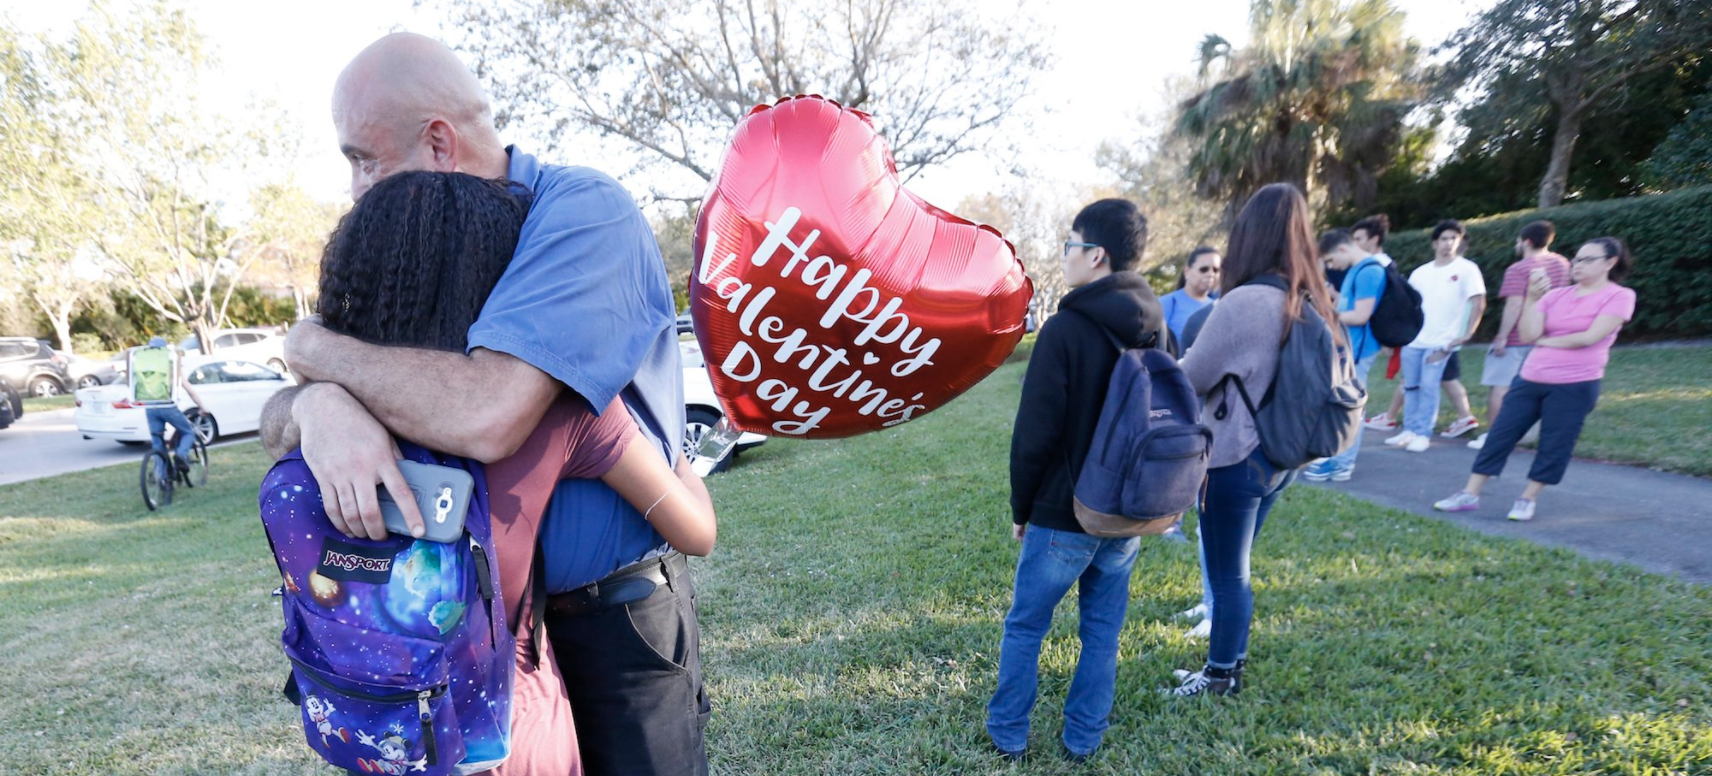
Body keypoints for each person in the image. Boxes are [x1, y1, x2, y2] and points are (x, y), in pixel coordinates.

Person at [257, 34, 707, 775]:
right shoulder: (413, 254)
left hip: (608, 624)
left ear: (438, 142)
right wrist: (316, 407)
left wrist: (314, 353)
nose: (356, 190)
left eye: (363, 160)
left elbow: (485, 415)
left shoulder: (582, 213)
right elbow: (294, 418)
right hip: (466, 651)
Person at [988, 199, 1166, 763]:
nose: (1064, 258)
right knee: (1102, 633)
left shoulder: (1066, 329)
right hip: (1129, 510)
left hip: (1065, 512)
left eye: (1069, 246)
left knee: (1025, 627)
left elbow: (1035, 433)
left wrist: (1022, 506)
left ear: (1096, 255)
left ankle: (1009, 735)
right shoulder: (1158, 324)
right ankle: (1083, 740)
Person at [1169, 183, 1334, 697]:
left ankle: (1219, 677)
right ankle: (1229, 665)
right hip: (1282, 458)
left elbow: (1190, 377)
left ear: (1248, 237)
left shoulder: (1243, 302)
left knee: (1227, 575)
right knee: (1235, 569)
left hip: (1235, 456)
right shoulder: (1309, 298)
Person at [1434, 237, 1636, 522]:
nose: (1578, 265)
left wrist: (1546, 341)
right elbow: (1528, 334)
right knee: (1500, 435)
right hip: (1531, 378)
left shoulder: (1620, 296)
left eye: (1587, 260)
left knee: (1555, 443)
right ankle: (1469, 494)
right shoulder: (1555, 295)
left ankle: (1527, 498)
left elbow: (1590, 337)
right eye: (1576, 259)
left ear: (1610, 262)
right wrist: (1531, 298)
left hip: (1575, 384)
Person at [1468, 220, 1571, 450]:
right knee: (1539, 388)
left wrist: (1502, 336)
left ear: (1526, 242)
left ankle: (1495, 437)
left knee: (1501, 387)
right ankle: (1530, 435)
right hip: (1547, 336)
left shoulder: (1519, 269)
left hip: (1518, 337)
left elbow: (1515, 305)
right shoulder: (1563, 264)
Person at [1385, 220, 1485, 453]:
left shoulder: (1467, 269)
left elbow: (1477, 301)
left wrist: (1466, 334)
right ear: (1435, 243)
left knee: (1430, 386)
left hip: (1442, 341)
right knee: (1410, 386)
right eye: (1444, 238)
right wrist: (1397, 337)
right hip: (1414, 340)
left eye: (1453, 238)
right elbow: (1407, 305)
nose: (1448, 243)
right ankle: (1409, 430)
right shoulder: (1421, 272)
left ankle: (1423, 433)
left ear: (1459, 242)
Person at [1302, 229, 1384, 482]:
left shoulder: (1370, 270)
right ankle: (1335, 457)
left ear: (1341, 250)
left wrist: (1325, 318)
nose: (1330, 266)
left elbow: (1361, 315)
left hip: (1359, 351)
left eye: (1329, 260)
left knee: (1351, 405)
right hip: (1348, 349)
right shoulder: (1356, 271)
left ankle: (1343, 463)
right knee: (1340, 402)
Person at [132, 336, 206, 474]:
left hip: (150, 408)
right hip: (168, 407)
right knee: (188, 432)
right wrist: (201, 406)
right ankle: (181, 455)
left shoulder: (144, 366)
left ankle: (161, 478)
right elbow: (187, 388)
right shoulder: (170, 365)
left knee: (157, 443)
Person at [1160, 247, 1222, 342]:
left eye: (1216, 270)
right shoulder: (1168, 303)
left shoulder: (1218, 307)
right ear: (1187, 271)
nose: (1211, 274)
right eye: (1204, 269)